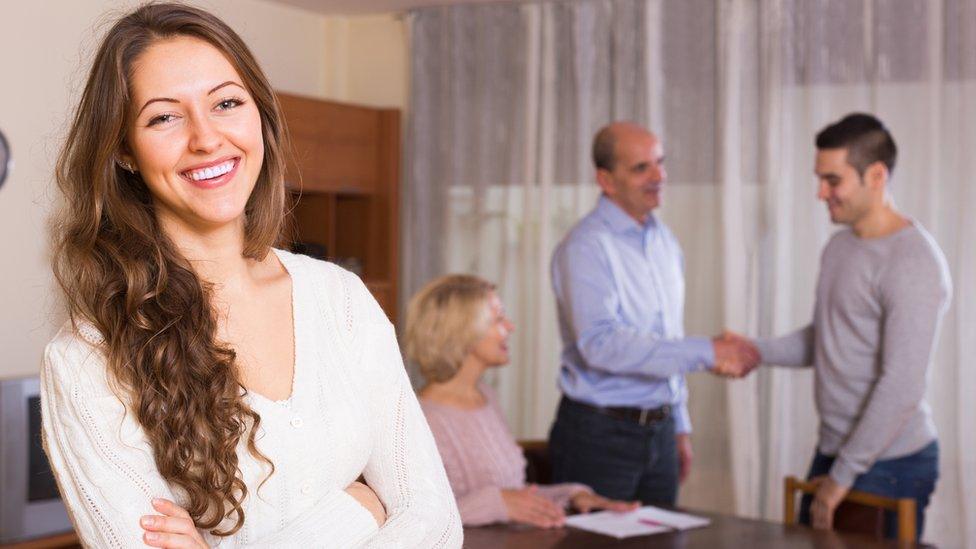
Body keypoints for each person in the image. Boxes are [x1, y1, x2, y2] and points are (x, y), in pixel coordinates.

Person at [42, 4, 461, 548]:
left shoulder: (341, 300)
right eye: (164, 117)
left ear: (259, 116)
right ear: (123, 150)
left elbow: (435, 523)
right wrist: (358, 511)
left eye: (227, 103)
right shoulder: (86, 359)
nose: (206, 138)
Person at [753, 113, 950, 540]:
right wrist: (754, 351)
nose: (821, 192)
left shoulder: (914, 262)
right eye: (819, 179)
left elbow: (901, 386)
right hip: (838, 452)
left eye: (833, 180)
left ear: (876, 175)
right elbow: (826, 338)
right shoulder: (839, 248)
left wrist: (841, 477)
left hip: (890, 462)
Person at [547, 121, 760, 506]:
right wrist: (709, 352)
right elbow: (601, 344)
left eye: (660, 163)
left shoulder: (664, 241)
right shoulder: (585, 247)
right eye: (641, 167)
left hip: (660, 432)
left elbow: (667, 340)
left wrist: (679, 426)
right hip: (599, 436)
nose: (659, 176)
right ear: (606, 180)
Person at [404, 275, 640, 528]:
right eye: (497, 319)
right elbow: (414, 521)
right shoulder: (418, 418)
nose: (511, 326)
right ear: (462, 330)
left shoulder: (486, 397)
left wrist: (571, 495)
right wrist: (496, 503)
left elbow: (511, 496)